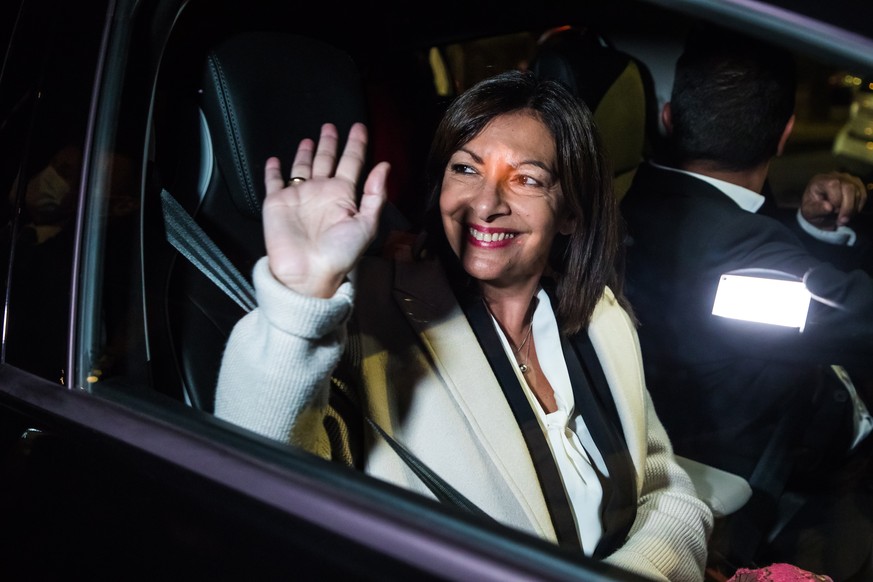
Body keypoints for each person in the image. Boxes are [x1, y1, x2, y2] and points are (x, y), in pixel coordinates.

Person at [215, 70, 712, 581]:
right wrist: (297, 304)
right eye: (466, 169)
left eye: (526, 179)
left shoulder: (601, 319)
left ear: (571, 213)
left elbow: (666, 490)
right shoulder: (372, 315)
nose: (487, 203)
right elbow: (257, 475)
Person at [619, 25, 873, 578]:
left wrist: (809, 225)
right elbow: (854, 320)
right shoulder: (731, 266)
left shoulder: (639, 196)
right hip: (798, 460)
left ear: (669, 120)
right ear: (785, 134)